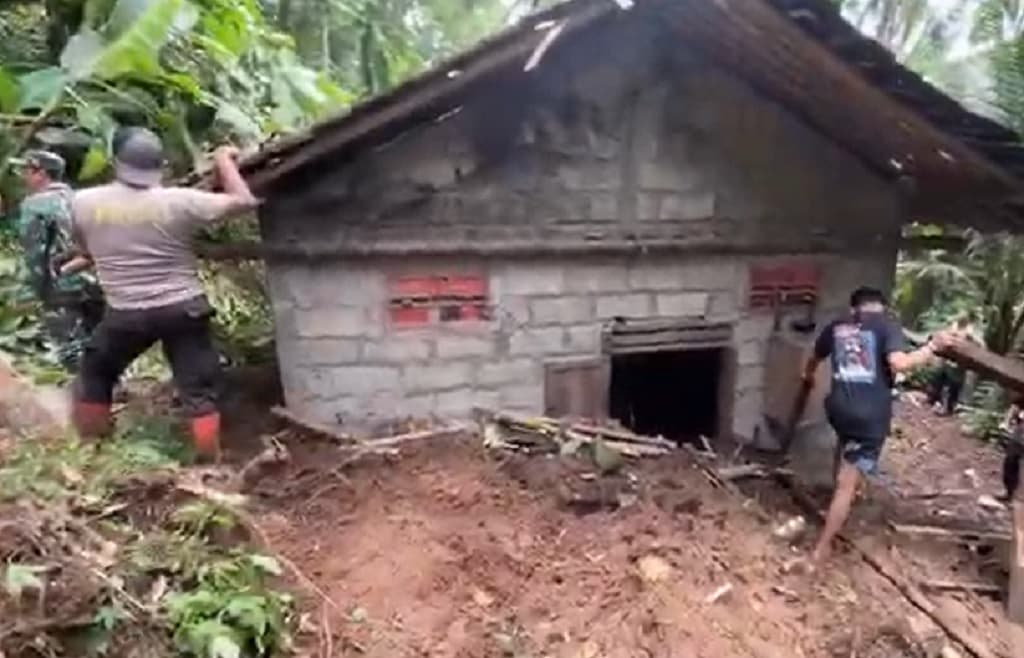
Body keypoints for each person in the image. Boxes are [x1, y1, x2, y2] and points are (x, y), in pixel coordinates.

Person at [69, 127, 259, 460]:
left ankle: (91, 454)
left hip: (126, 313)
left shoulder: (83, 203)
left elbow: (87, 250)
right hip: (182, 308)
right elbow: (244, 202)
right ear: (160, 165)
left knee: (96, 373)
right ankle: (208, 464)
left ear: (116, 162)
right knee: (197, 389)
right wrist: (223, 161)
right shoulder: (181, 201)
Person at [801, 286, 945, 564]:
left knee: (846, 448)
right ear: (882, 306)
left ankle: (839, 496)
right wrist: (932, 348)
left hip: (839, 410)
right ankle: (822, 547)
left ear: (855, 308)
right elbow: (899, 363)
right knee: (848, 482)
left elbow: (813, 358)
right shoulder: (887, 325)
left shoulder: (838, 326)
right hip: (869, 417)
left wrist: (808, 377)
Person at [11, 150, 104, 371]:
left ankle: (88, 395)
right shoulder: (78, 198)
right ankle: (117, 386)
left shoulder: (35, 205)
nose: (23, 176)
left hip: (60, 284)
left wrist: (40, 289)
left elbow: (36, 251)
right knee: (99, 340)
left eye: (26, 170)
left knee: (70, 346)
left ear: (41, 173)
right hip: (92, 279)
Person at [927, 313, 979, 415]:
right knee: (940, 379)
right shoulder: (954, 327)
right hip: (948, 359)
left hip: (959, 362)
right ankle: (936, 400)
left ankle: (948, 407)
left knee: (953, 385)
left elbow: (976, 344)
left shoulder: (970, 331)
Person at [1000, 392, 1024, 503]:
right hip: (1019, 437)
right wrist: (1007, 423)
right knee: (1010, 463)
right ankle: (1009, 492)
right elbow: (1014, 408)